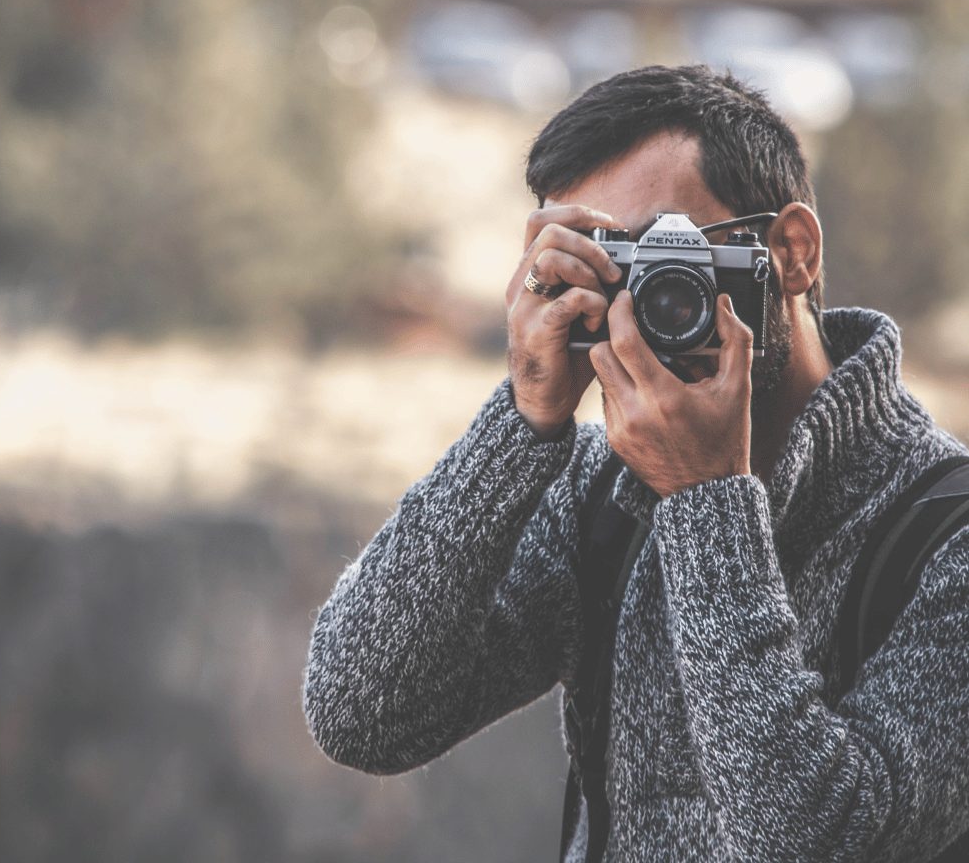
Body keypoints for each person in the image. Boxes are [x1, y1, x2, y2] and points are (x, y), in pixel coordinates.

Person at [303, 65, 969, 861]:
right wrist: (521, 426)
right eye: (605, 263)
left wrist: (707, 502)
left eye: (671, 254)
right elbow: (362, 714)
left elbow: (816, 843)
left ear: (791, 252)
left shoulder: (946, 537)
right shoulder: (599, 492)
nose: (641, 303)